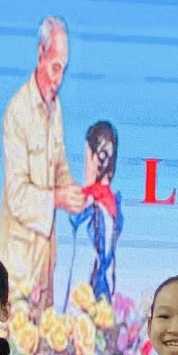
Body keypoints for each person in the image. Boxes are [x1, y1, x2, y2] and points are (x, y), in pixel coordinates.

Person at [0, 16, 80, 312]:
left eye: (64, 69)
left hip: (45, 260)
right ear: (41, 55)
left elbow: (60, 168)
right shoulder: (18, 111)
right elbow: (17, 195)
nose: (60, 77)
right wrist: (57, 198)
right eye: (56, 67)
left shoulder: (54, 107)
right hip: (18, 265)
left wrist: (77, 193)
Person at [58, 119, 121, 307]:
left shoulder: (93, 206)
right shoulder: (106, 204)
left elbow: (86, 264)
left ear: (95, 158)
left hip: (88, 299)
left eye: (86, 156)